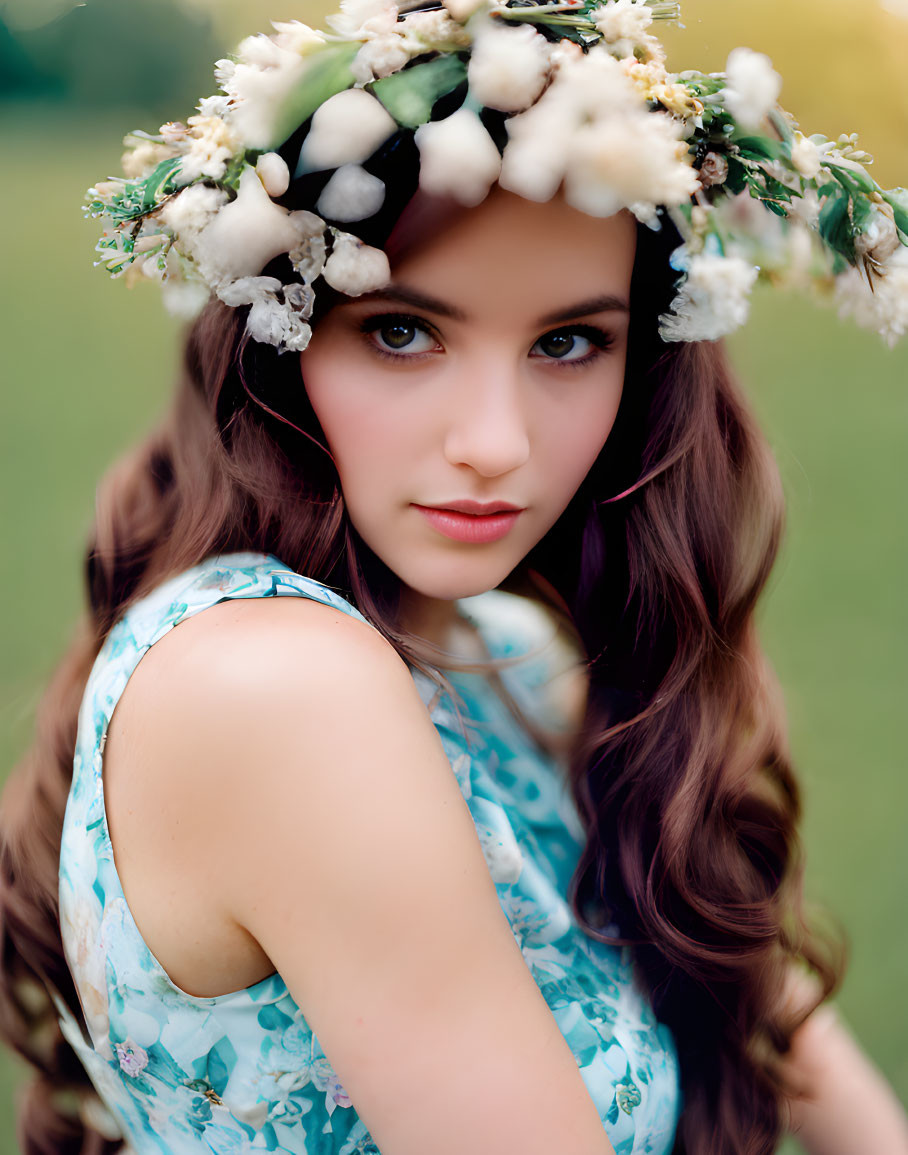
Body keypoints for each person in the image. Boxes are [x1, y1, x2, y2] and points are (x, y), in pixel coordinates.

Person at [2, 1, 907, 1152]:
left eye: (568, 342)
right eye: (399, 332)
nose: (496, 442)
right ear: (278, 339)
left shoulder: (515, 665)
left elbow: (814, 1072)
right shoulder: (275, 689)